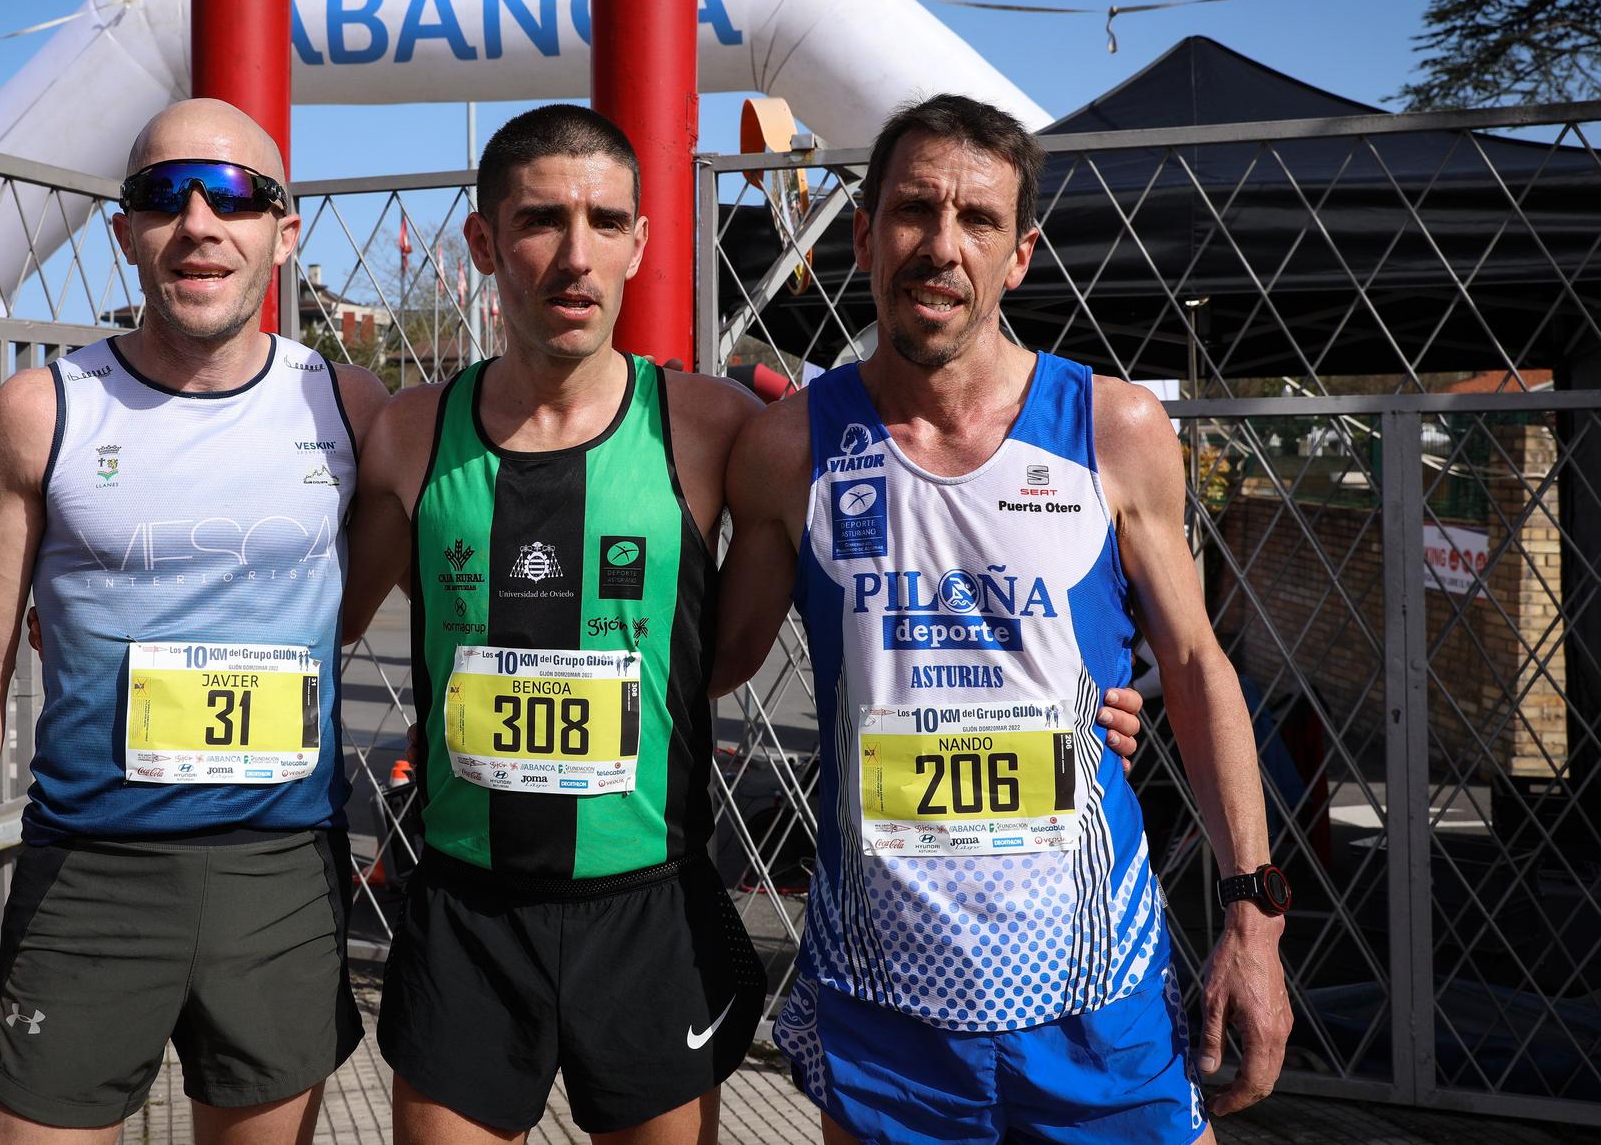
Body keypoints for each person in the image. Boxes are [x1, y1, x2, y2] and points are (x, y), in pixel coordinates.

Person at [341, 103, 1151, 1143]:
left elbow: (900, 531)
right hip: (464, 909)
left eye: (604, 221)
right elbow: (323, 616)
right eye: (542, 220)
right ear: (485, 242)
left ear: (641, 241)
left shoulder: (713, 423)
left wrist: (1079, 706)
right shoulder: (409, 434)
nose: (574, 255)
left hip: (647, 909)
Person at [714, 93, 1294, 1145]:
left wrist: (1252, 916)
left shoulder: (1111, 428)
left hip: (1091, 996)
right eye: (911, 211)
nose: (940, 246)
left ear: (1018, 254)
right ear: (860, 234)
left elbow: (1199, 667)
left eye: (975, 220)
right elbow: (704, 665)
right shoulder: (788, 446)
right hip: (883, 1007)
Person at [0, 98, 389, 1144]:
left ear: (282, 226)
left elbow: (365, 594)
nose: (199, 220)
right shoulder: (44, 409)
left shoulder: (349, 406)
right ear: (124, 230)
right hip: (90, 873)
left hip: (280, 876)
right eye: (161, 194)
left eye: (233, 194)